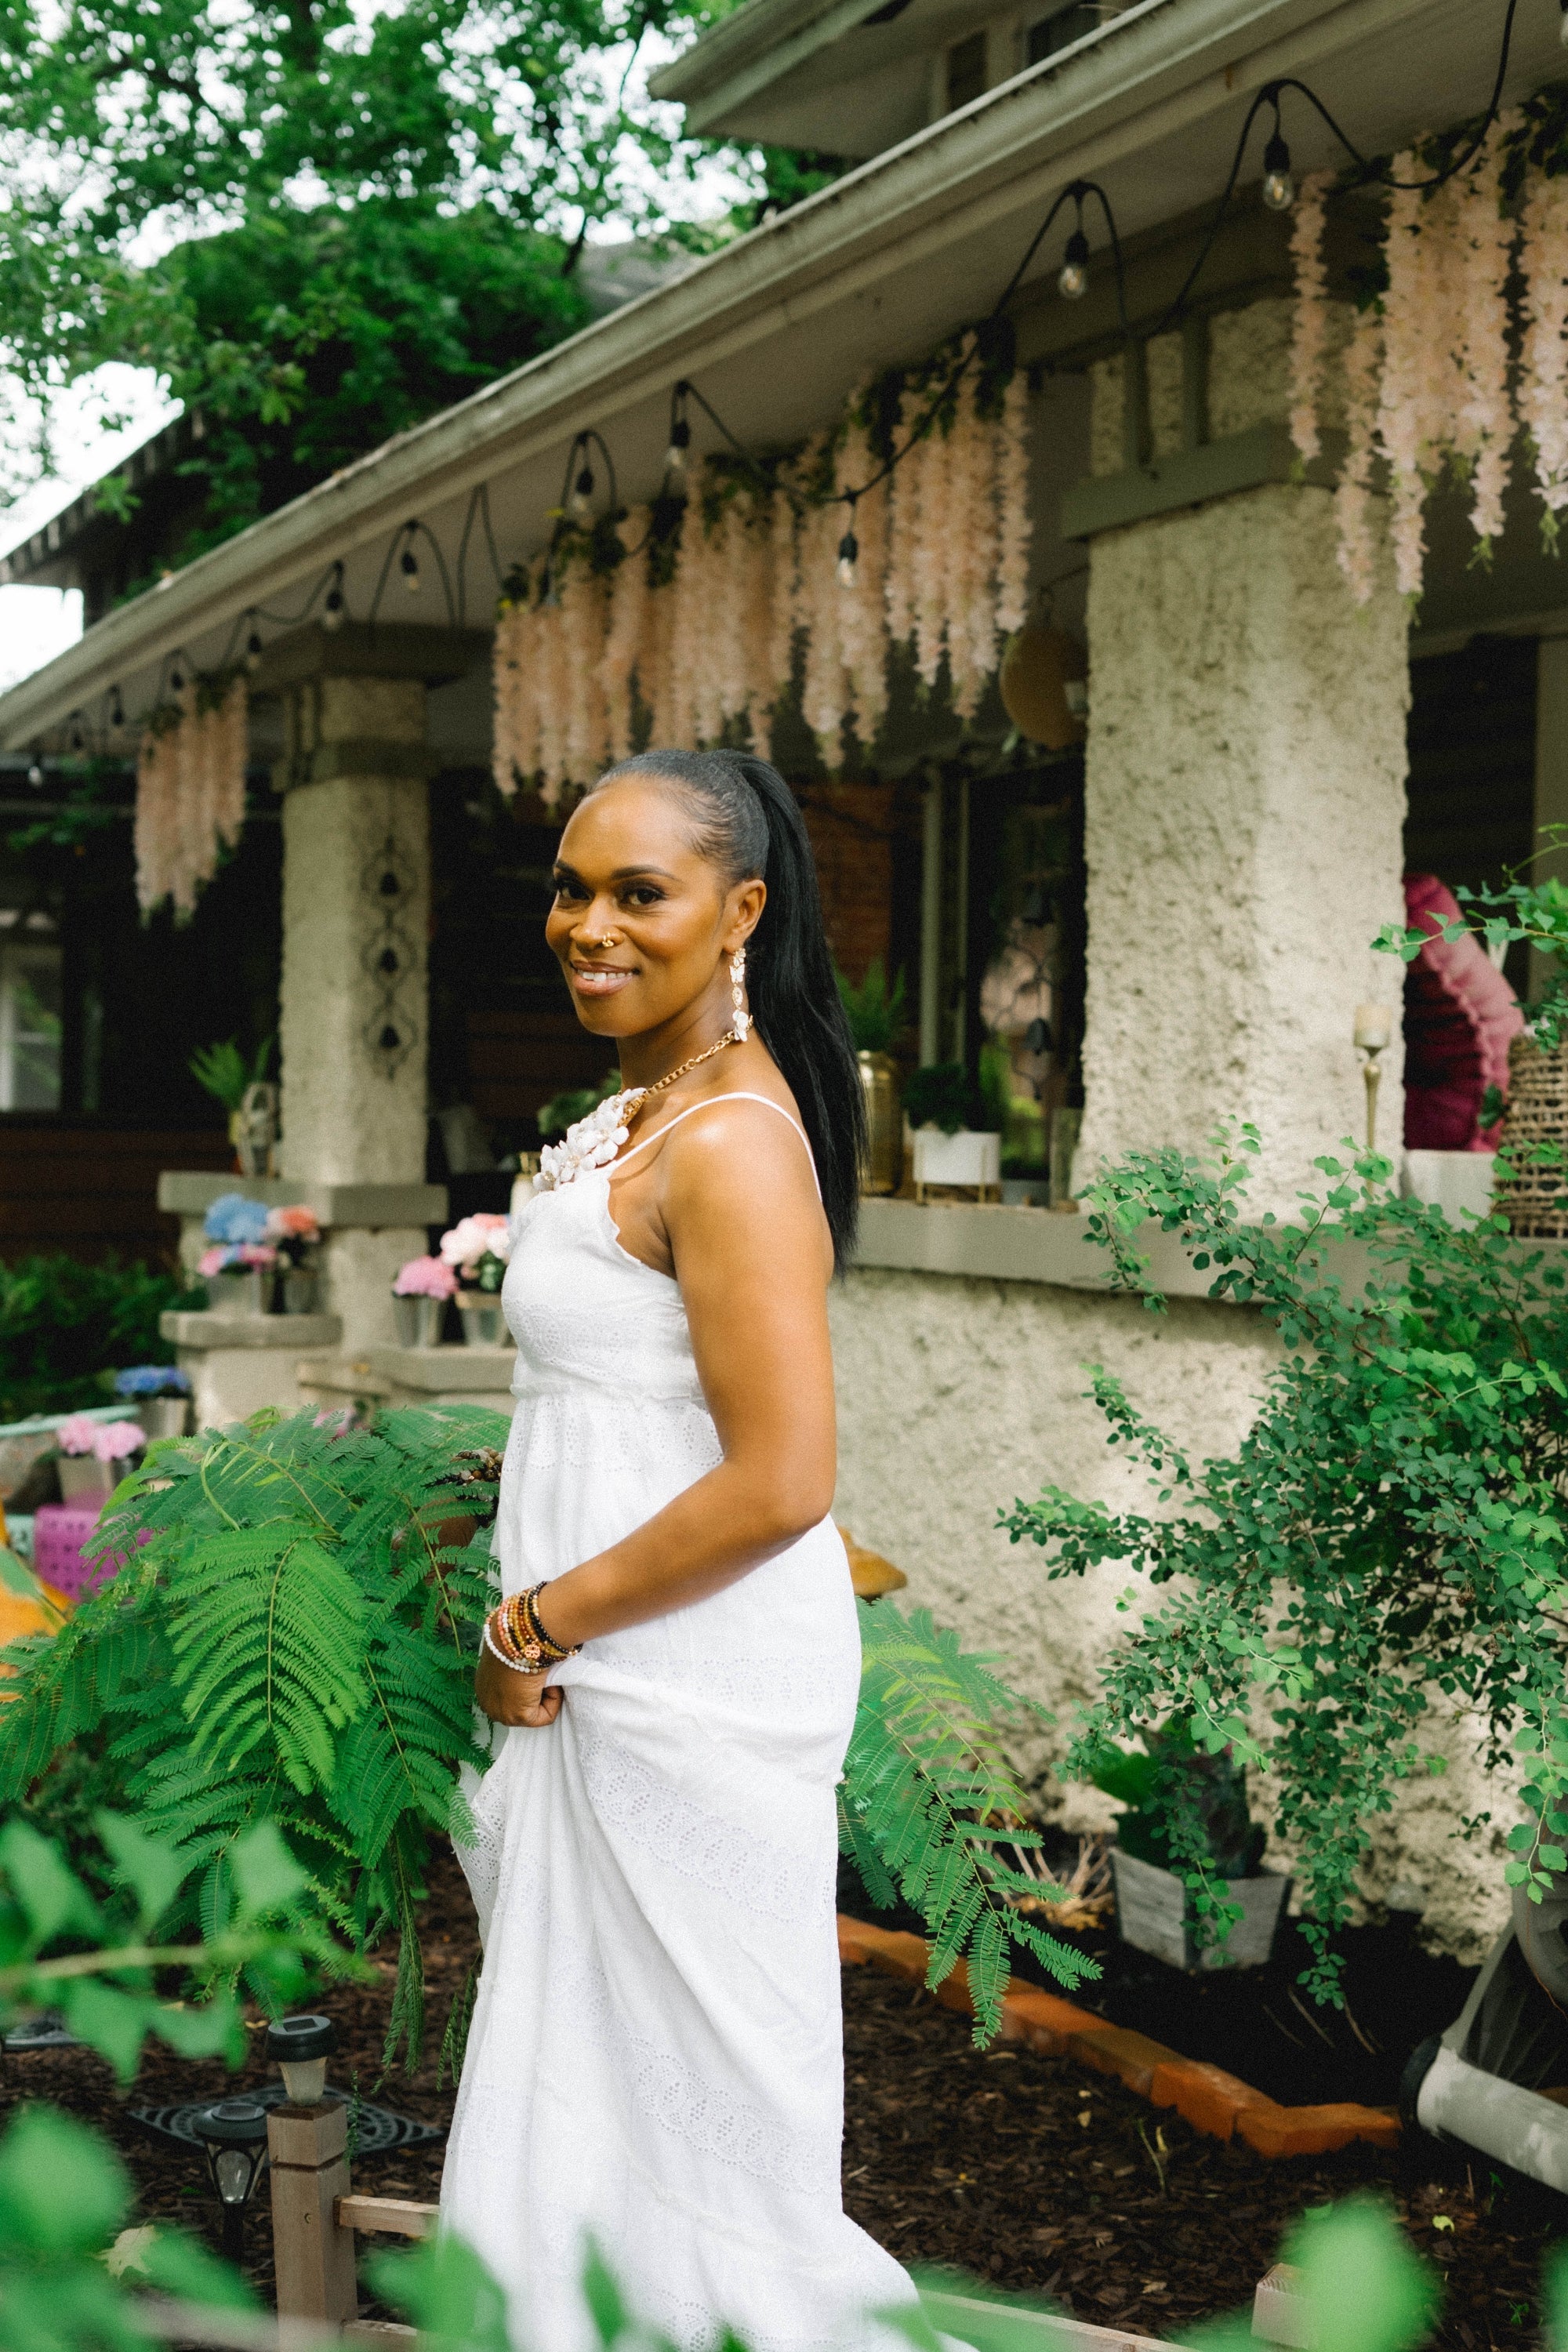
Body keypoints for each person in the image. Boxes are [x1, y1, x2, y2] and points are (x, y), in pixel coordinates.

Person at [440, 749, 916, 2352]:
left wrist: (536, 1622)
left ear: (740, 912)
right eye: (573, 888)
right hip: (611, 1660)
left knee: (705, 2119)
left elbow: (785, 1478)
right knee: (602, 2093)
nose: (590, 925)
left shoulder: (726, 1140)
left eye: (640, 892)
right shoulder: (652, 1108)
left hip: (675, 1675)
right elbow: (631, 1399)